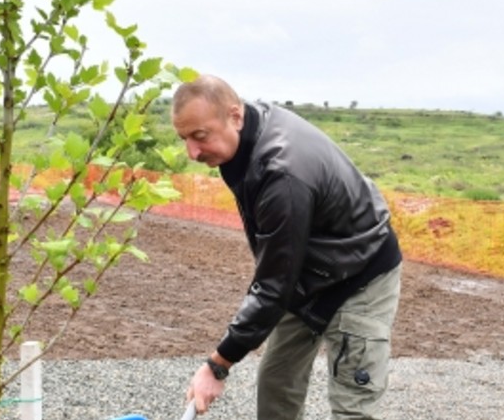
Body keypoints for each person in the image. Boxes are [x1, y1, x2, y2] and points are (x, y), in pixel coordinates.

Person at [171, 74, 403, 419]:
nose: (192, 152)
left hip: (361, 273)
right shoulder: (245, 136)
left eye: (199, 136)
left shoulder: (282, 171)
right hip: (308, 272)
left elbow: (273, 286)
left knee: (353, 400)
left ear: (235, 116)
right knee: (277, 381)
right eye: (184, 139)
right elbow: (279, 272)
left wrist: (217, 365)